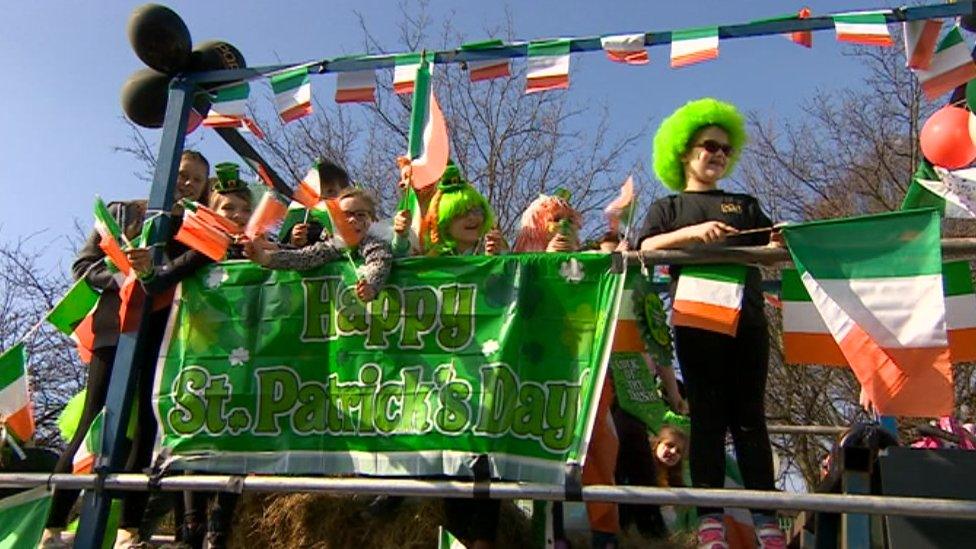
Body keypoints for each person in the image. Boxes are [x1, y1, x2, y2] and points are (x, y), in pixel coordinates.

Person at [41, 150, 210, 549]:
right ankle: (53, 525)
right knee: (95, 415)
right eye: (183, 174)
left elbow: (197, 263)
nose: (186, 183)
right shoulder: (121, 211)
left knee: (150, 424)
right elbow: (84, 266)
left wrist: (156, 271)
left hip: (165, 331)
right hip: (116, 326)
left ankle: (129, 529)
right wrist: (123, 272)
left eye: (196, 180)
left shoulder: (195, 225)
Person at [638, 98, 784, 549]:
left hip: (749, 318)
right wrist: (691, 236)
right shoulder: (668, 207)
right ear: (684, 151)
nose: (718, 155)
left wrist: (783, 237)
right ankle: (709, 521)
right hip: (697, 319)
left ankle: (767, 519)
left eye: (725, 148)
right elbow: (646, 247)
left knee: (750, 418)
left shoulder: (744, 204)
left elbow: (772, 245)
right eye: (708, 146)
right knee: (706, 417)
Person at [247, 187, 391, 303]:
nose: (352, 220)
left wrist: (371, 286)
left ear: (372, 219)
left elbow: (379, 261)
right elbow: (303, 257)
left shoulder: (374, 243)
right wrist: (265, 258)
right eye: (345, 215)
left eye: (360, 215)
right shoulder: (331, 245)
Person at [282, 158, 351, 247]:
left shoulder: (353, 221)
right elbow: (285, 252)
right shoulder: (306, 226)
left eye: (330, 191)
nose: (323, 198)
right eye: (316, 194)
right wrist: (295, 241)